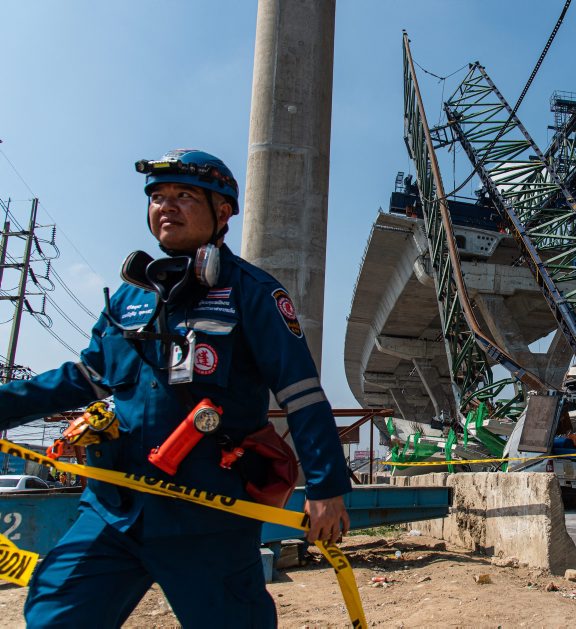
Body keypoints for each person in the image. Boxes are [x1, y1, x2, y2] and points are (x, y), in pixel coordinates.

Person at [0, 149, 351, 627]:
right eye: (158, 197)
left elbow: (302, 395)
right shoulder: (129, 299)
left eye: (184, 195)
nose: (166, 206)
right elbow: (82, 379)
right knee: (54, 614)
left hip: (208, 517)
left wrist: (327, 487)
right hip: (113, 511)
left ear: (223, 212)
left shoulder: (252, 293)